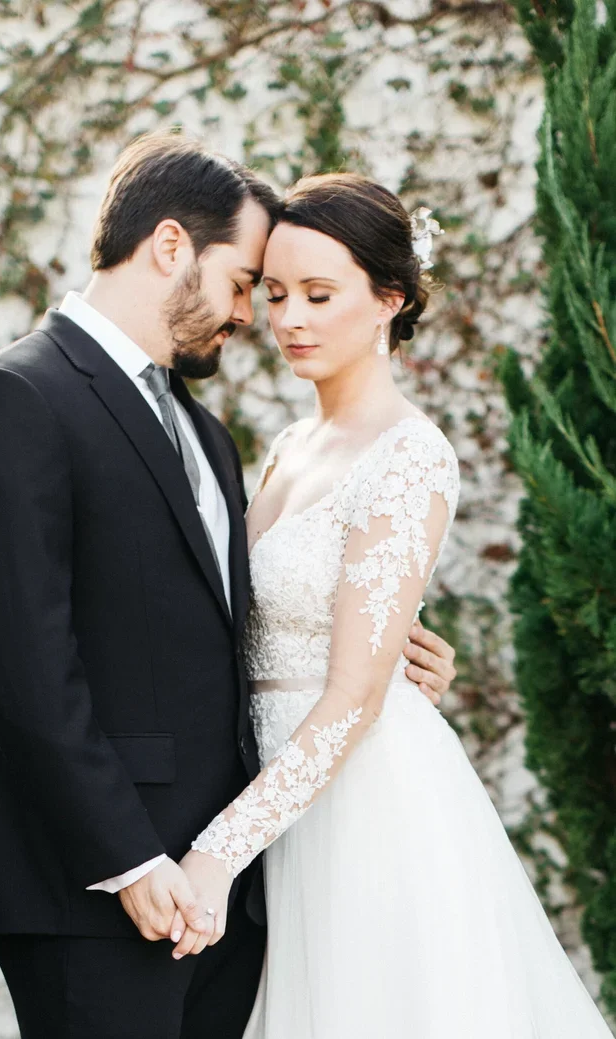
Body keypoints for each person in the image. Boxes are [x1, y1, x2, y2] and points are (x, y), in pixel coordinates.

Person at [0, 134, 457, 1039]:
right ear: (172, 247)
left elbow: (224, 620)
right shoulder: (12, 398)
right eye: (251, 281)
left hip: (239, 885)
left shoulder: (209, 439)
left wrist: (385, 655)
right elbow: (23, 667)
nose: (258, 313)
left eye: (296, 292)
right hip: (99, 887)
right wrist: (131, 862)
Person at [174, 173, 616, 1038]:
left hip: (365, 804)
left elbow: (355, 694)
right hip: (277, 794)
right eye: (274, 295)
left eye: (318, 294)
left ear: (389, 300)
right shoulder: (289, 447)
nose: (290, 319)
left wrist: (219, 852)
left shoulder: (409, 456)